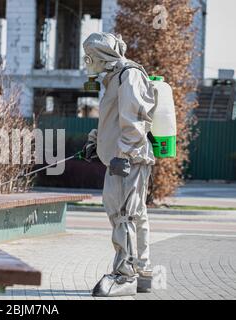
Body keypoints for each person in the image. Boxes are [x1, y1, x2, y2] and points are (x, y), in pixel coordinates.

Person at [81, 32, 156, 297]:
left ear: (101, 55)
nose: (87, 61)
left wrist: (121, 156)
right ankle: (143, 274)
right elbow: (112, 119)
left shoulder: (128, 74)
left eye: (89, 55)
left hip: (127, 159)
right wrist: (95, 141)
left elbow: (134, 123)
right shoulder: (113, 78)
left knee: (123, 213)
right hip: (122, 156)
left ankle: (126, 275)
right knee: (135, 214)